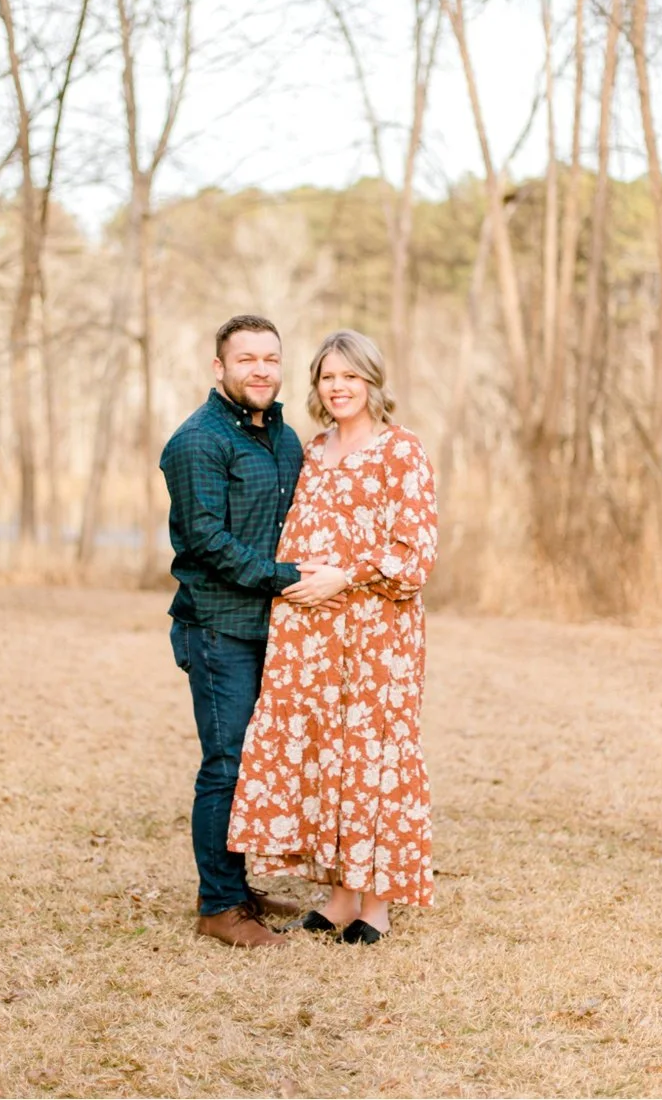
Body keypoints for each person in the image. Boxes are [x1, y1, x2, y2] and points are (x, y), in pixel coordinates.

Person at [228, 329, 440, 941]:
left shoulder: (401, 451)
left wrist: (344, 577)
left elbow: (415, 553)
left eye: (351, 376)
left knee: (374, 753)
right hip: (311, 636)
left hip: (376, 631)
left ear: (373, 381)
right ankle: (341, 895)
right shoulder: (313, 450)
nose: (338, 387)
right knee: (329, 754)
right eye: (328, 377)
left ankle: (376, 903)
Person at [158, 315, 348, 949]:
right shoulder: (197, 441)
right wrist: (288, 577)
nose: (261, 370)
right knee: (226, 763)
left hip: (276, 629)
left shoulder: (285, 439)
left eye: (270, 358)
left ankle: (237, 889)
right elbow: (207, 542)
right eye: (246, 359)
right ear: (220, 368)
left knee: (258, 762)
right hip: (219, 627)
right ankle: (219, 907)